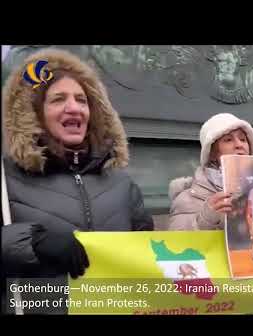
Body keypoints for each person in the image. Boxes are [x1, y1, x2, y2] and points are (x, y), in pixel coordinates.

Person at [1, 49, 153, 314]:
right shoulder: (5, 179)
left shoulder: (122, 184)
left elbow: (148, 252)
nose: (74, 108)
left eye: (82, 100)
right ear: (33, 113)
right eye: (58, 99)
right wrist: (30, 241)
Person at [168, 113, 253, 231]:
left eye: (243, 139)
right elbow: (175, 247)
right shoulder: (190, 197)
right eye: (228, 140)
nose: (239, 144)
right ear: (212, 153)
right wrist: (206, 217)